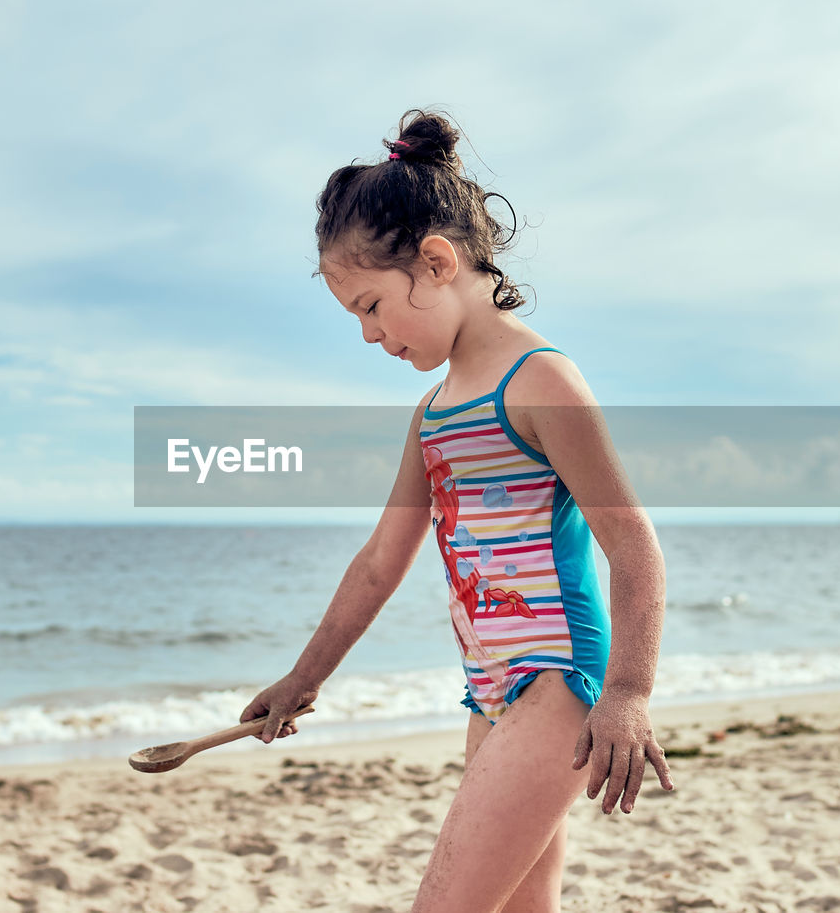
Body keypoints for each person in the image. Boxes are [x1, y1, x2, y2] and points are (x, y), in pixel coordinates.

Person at [239, 107, 673, 913]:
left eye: (371, 306)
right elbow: (380, 561)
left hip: (560, 682)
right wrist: (304, 677)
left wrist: (628, 692)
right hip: (490, 688)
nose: (368, 335)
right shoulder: (434, 412)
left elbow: (632, 541)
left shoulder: (540, 381)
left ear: (437, 262)